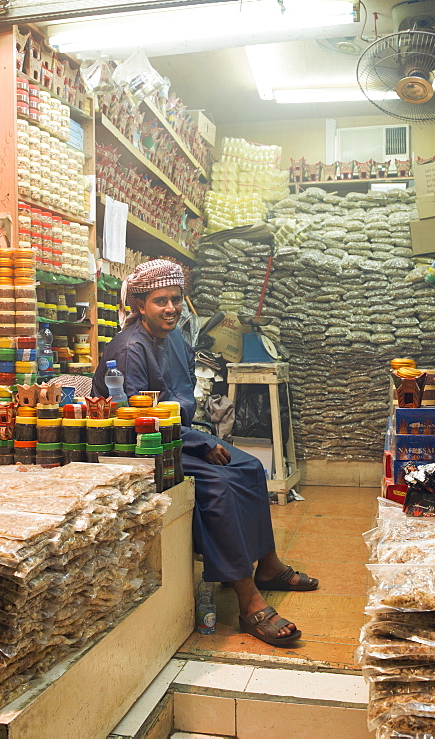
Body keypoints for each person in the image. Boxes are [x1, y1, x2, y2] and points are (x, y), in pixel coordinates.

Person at [92, 260, 317, 647]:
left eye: (176, 300)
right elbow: (136, 417)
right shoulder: (130, 348)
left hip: (175, 434)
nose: (171, 308)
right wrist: (200, 443)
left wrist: (202, 436)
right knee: (215, 484)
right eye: (160, 301)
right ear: (140, 306)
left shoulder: (175, 337)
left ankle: (268, 564)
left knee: (247, 465)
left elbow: (181, 399)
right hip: (140, 443)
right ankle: (248, 599)